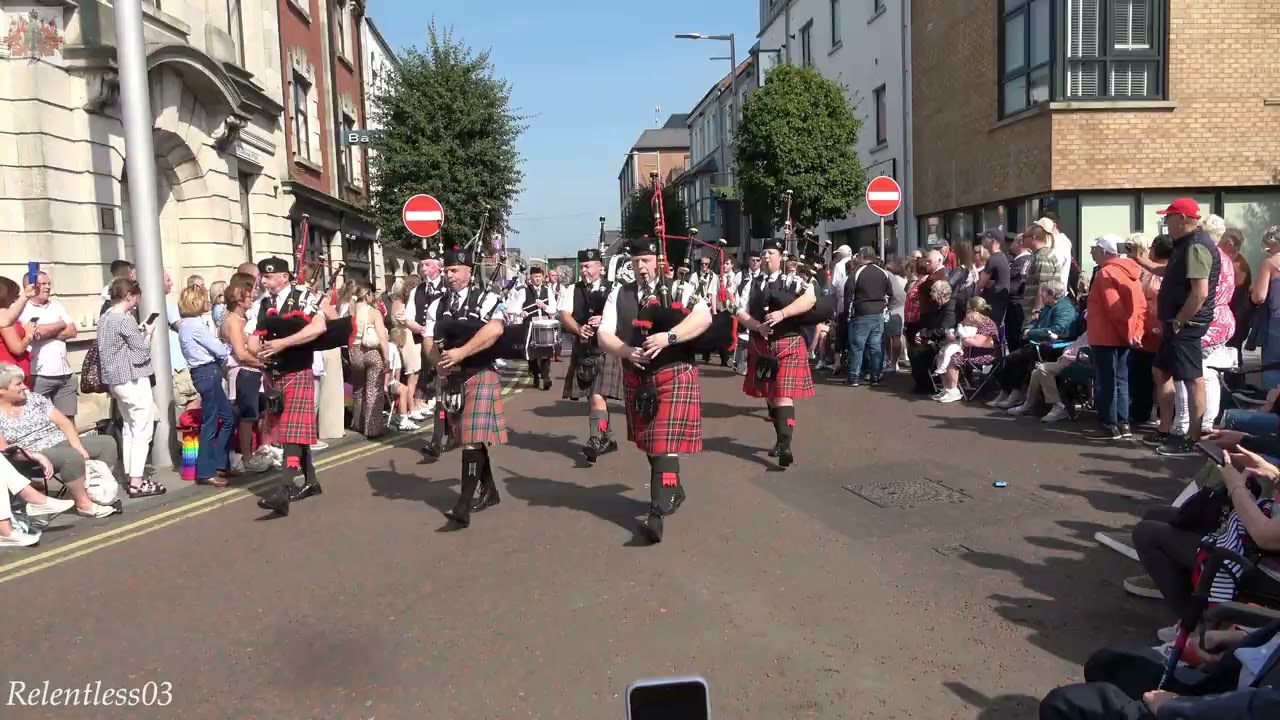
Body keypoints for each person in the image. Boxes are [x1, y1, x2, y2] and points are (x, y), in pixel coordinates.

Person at [597, 238, 712, 543]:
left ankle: (656, 513)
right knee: (652, 444)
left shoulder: (678, 287)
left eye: (646, 261)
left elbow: (704, 317)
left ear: (658, 261)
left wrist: (669, 337)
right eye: (635, 262)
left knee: (663, 444)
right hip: (638, 375)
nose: (640, 267)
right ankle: (672, 489)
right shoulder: (620, 293)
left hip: (674, 372)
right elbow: (603, 334)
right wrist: (626, 351)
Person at [253, 257, 349, 516]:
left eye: (269, 277)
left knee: (291, 431)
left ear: (285, 276)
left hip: (299, 369)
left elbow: (317, 328)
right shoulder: (264, 304)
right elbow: (254, 336)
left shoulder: (304, 295)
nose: (264, 281)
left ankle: (284, 489)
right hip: (275, 372)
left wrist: (283, 343)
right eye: (262, 276)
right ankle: (311, 482)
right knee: (293, 429)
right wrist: (257, 354)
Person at [422, 246, 509, 528]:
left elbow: (494, 330)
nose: (449, 275)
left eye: (454, 270)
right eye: (446, 270)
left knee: (471, 438)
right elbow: (428, 342)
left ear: (470, 272)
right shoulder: (436, 304)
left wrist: (461, 353)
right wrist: (439, 364)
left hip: (481, 372)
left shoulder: (488, 299)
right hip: (453, 378)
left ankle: (463, 505)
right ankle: (490, 492)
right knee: (469, 437)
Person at [1134, 198, 1220, 456]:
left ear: (1182, 219)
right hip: (1176, 324)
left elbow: (1200, 292)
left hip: (1187, 325)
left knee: (1193, 380)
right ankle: (1166, 429)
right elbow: (1171, 273)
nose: (1165, 223)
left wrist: (1180, 320)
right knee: (1161, 372)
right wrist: (1142, 261)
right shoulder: (1184, 246)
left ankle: (1193, 439)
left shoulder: (1196, 246)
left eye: (1168, 218)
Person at [735, 238, 817, 468]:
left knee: (782, 393)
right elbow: (739, 310)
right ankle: (781, 440)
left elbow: (810, 299)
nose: (766, 257)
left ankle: (785, 444)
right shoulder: (752, 282)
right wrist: (756, 326)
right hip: (762, 344)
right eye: (764, 253)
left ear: (781, 256)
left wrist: (783, 314)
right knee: (771, 395)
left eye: (771, 253)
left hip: (788, 342)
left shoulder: (794, 280)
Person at [0, 362, 117, 518]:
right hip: (30, 455)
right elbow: (5, 450)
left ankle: (92, 491)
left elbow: (64, 423)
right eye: (18, 384)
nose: (24, 387)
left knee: (106, 443)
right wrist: (33, 454)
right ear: (2, 391)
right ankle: (84, 505)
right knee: (70, 456)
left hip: (57, 441)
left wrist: (80, 448)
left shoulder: (34, 399)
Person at [97, 277, 164, 498]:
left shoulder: (106, 317)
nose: (136, 302)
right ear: (129, 296)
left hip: (115, 380)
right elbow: (141, 354)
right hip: (133, 378)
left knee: (128, 428)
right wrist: (148, 333)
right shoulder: (124, 320)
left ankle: (130, 474)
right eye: (136, 298)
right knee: (142, 430)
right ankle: (137, 481)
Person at [558, 247, 623, 462]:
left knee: (597, 398)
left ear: (600, 267)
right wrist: (578, 328)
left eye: (588, 266)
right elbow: (564, 314)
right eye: (582, 266)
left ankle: (595, 440)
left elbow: (622, 316)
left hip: (606, 349)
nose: (584, 270)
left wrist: (603, 320)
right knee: (594, 401)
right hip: (583, 350)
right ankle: (608, 436)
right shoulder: (572, 290)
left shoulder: (615, 288)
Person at [1084, 235, 1147, 441]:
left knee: (1107, 380)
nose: (1092, 253)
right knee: (1121, 379)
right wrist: (1135, 333)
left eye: (1095, 249)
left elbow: (1115, 309)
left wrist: (1127, 333)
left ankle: (1109, 425)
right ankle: (1123, 423)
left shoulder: (1106, 273)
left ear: (1104, 251)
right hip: (1123, 335)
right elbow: (1141, 307)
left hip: (1106, 336)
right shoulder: (1133, 273)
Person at [176, 285, 236, 486]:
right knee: (210, 423)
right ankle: (205, 471)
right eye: (204, 299)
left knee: (228, 417)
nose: (208, 302)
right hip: (207, 373)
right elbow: (218, 349)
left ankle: (220, 463)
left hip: (204, 373)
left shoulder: (185, 324)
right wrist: (231, 345)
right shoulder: (195, 325)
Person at [19, 271, 78, 423]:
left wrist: (45, 331)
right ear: (30, 286)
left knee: (68, 421)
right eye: (42, 284)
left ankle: (70, 447)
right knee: (39, 421)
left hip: (64, 374)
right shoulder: (23, 309)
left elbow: (72, 331)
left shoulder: (56, 306)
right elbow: (34, 333)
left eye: (48, 283)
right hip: (38, 375)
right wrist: (60, 324)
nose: (47, 287)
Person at [843, 247, 893, 387]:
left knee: (857, 347)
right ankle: (875, 376)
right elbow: (890, 293)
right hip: (878, 314)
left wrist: (848, 314)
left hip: (861, 314)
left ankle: (854, 377)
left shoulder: (856, 273)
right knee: (876, 347)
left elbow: (849, 294)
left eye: (858, 255)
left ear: (862, 256)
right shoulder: (883, 273)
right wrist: (884, 308)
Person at [509, 266, 558, 391]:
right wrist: (521, 313)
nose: (538, 279)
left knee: (546, 352)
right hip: (530, 325)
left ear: (543, 277)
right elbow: (513, 308)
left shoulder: (548, 291)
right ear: (530, 278)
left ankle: (546, 378)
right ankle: (536, 375)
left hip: (544, 324)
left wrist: (544, 306)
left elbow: (553, 309)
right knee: (533, 353)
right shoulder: (524, 291)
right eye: (535, 277)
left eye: (540, 277)